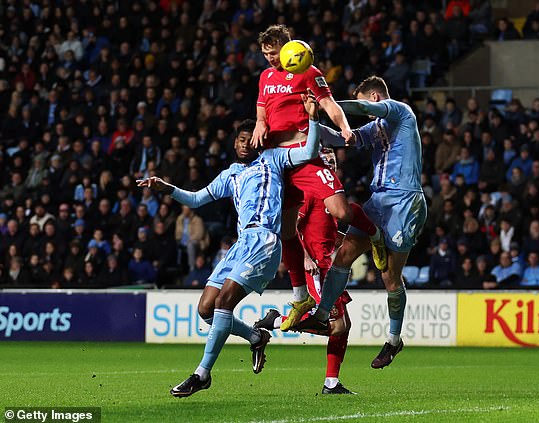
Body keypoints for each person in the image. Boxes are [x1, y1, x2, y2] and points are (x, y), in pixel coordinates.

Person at [137, 92, 322, 398]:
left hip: (264, 240)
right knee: (206, 308)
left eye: (250, 138)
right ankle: (255, 336)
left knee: (224, 302)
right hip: (240, 244)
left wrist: (313, 118)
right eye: (239, 139)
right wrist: (165, 188)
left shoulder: (273, 160)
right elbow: (196, 199)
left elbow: (309, 151)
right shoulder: (231, 174)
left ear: (259, 140)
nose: (244, 143)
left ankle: (202, 374)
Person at [251, 25, 387, 331]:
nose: (269, 59)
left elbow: (329, 104)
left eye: (273, 53)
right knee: (286, 231)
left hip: (305, 155)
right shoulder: (265, 77)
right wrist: (260, 124)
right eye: (265, 54)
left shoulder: (309, 71)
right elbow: (262, 109)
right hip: (277, 160)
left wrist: (345, 128)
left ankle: (373, 234)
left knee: (340, 211)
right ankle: (300, 295)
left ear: (288, 48)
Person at [296, 76, 427, 369]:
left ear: (376, 98)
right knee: (342, 255)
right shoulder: (375, 127)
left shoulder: (401, 112)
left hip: (405, 201)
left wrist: (326, 103)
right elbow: (342, 138)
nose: (367, 114)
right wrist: (309, 122)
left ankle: (394, 340)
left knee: (390, 277)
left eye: (368, 106)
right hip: (378, 202)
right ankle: (322, 314)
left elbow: (355, 106)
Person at [255, 150, 355, 395]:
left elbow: (322, 231)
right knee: (337, 326)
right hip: (316, 269)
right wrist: (306, 257)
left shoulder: (331, 193)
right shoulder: (310, 190)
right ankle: (276, 320)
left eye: (333, 159)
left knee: (345, 324)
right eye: (326, 159)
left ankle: (331, 382)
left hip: (329, 268)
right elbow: (291, 229)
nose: (330, 162)